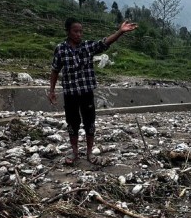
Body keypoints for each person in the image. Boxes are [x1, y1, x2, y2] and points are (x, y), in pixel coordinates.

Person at [48, 18, 138, 165]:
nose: (78, 34)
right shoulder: (61, 49)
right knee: (72, 123)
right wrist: (51, 90)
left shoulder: (87, 46)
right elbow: (55, 70)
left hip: (86, 92)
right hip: (70, 93)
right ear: (68, 32)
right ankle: (75, 151)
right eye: (75, 31)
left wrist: (120, 32)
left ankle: (89, 152)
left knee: (89, 122)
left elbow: (104, 42)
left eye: (80, 31)